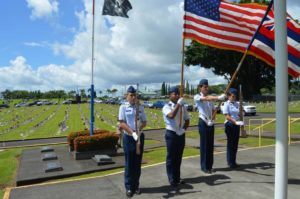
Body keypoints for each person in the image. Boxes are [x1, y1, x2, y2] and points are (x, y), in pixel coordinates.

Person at [118, 85, 147, 197]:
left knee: (137, 163)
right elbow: (122, 123)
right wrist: (132, 132)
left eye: (135, 95)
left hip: (139, 136)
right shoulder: (123, 107)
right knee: (129, 163)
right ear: (127, 96)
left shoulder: (140, 107)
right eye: (131, 95)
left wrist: (140, 127)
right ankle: (129, 187)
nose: (133, 97)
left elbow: (145, 121)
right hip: (129, 137)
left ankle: (136, 185)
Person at [194, 79, 226, 174]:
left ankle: (209, 166)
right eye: (204, 87)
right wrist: (219, 97)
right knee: (204, 145)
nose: (206, 88)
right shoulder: (197, 96)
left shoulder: (210, 98)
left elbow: (213, 110)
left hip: (210, 122)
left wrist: (213, 119)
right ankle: (204, 167)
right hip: (203, 121)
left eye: (207, 87)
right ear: (200, 87)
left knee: (210, 145)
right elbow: (206, 99)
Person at [162, 86, 190, 188]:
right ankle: (172, 178)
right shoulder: (166, 106)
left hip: (180, 133)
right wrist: (179, 104)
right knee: (171, 157)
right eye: (174, 93)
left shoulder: (183, 107)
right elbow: (171, 115)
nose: (177, 95)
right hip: (171, 134)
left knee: (178, 157)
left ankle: (177, 177)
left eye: (178, 93)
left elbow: (187, 120)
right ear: (170, 95)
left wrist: (183, 129)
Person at [223, 88, 244, 169]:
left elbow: (240, 114)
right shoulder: (226, 104)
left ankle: (233, 161)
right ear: (228, 96)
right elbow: (227, 116)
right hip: (229, 125)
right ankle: (230, 162)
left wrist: (241, 113)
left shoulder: (237, 104)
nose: (232, 97)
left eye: (234, 96)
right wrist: (235, 122)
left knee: (235, 144)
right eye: (231, 96)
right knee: (230, 144)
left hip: (237, 125)